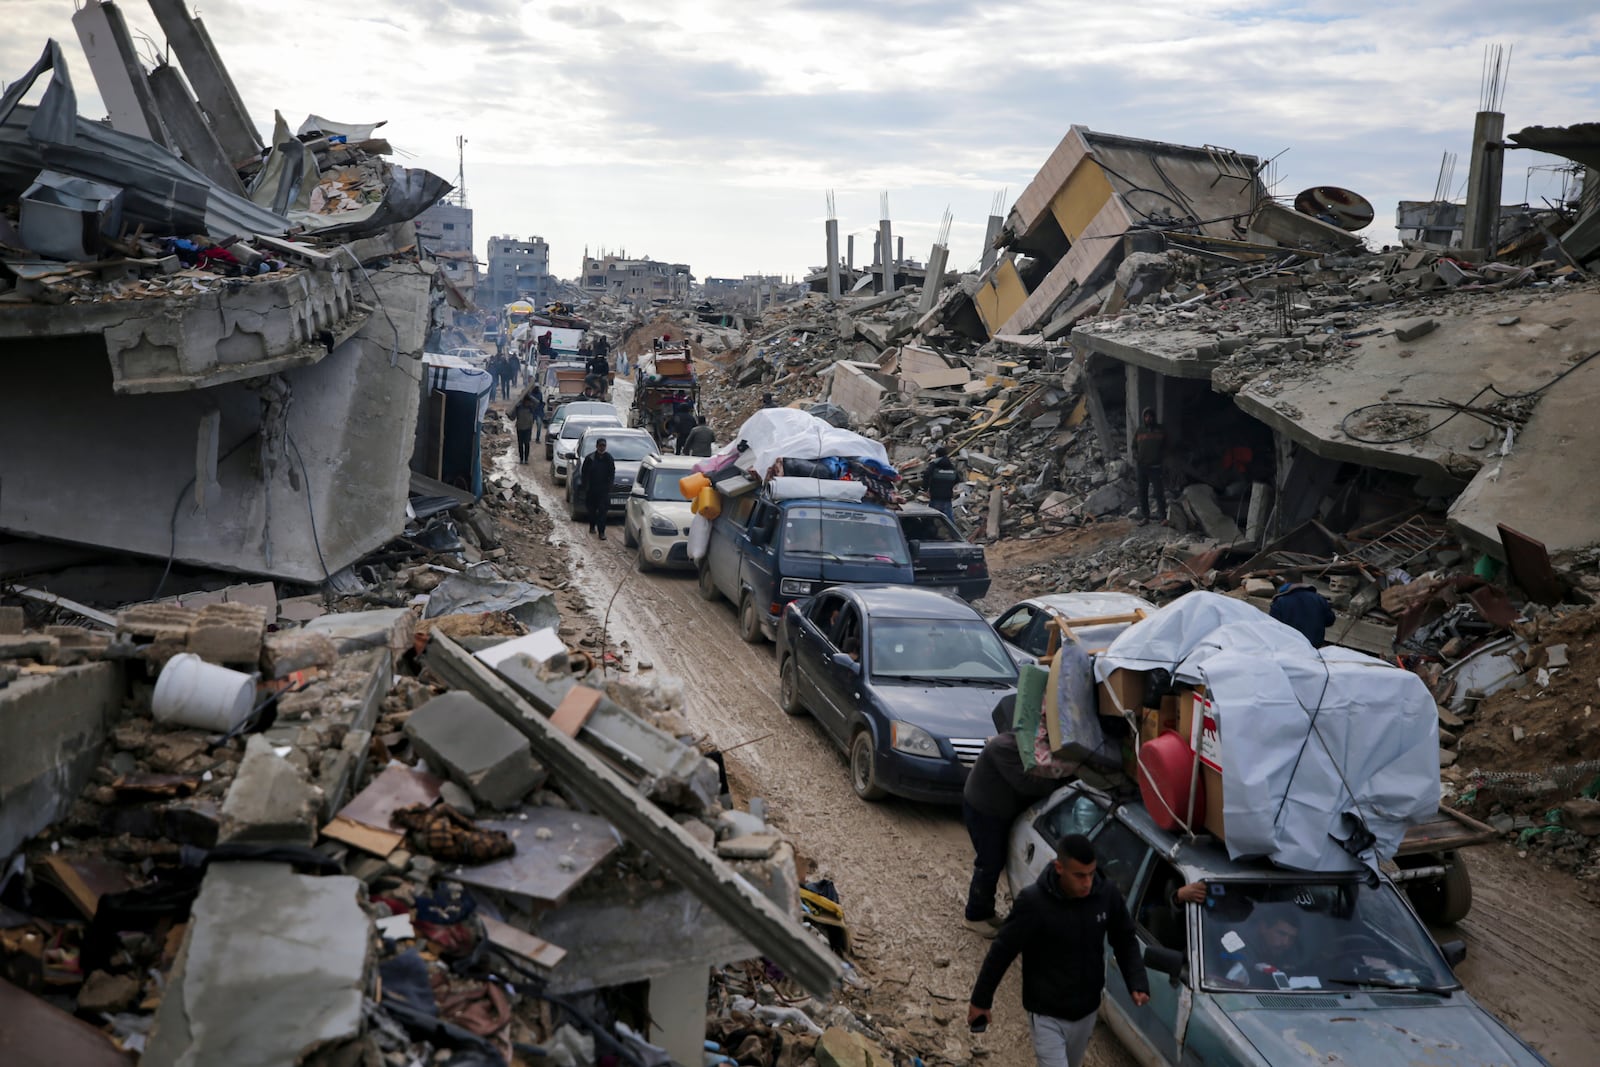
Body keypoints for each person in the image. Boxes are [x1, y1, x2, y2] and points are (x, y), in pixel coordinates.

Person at [969, 834, 1149, 1067]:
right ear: (1059, 868)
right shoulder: (1033, 903)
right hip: (1047, 1015)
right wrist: (981, 1000)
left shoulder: (1106, 895)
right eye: (1079, 875)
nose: (1087, 883)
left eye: (1091, 874)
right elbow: (1002, 951)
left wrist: (1136, 981)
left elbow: (1124, 938)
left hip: (1086, 1012)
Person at [961, 720, 1059, 937]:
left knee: (993, 861)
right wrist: (1059, 779)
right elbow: (1027, 783)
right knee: (989, 862)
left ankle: (985, 911)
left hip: (993, 809)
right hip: (983, 811)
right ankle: (974, 916)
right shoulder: (1003, 748)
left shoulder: (1017, 746)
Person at [1269, 578, 1336, 648]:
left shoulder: (1280, 601)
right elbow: (1330, 620)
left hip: (1289, 647)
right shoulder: (1319, 599)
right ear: (1302, 581)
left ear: (1286, 582)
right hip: (1314, 647)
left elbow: (1273, 627)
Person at [1133, 407, 1166, 525]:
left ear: (1154, 417)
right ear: (1143, 418)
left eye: (1150, 416)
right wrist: (1137, 456)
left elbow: (1166, 447)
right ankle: (1145, 517)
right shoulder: (1140, 430)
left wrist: (1162, 458)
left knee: (1159, 492)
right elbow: (1133, 447)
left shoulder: (1160, 430)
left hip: (1156, 467)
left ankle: (1162, 517)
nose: (1148, 418)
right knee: (1142, 492)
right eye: (1146, 416)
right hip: (1142, 467)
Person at [579, 438, 616, 539]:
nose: (602, 447)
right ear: (596, 446)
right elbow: (584, 473)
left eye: (603, 446)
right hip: (591, 489)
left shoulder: (609, 458)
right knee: (591, 510)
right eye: (600, 445)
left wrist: (610, 486)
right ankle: (592, 526)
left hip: (603, 490)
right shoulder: (590, 458)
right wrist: (585, 486)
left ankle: (601, 532)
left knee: (602, 511)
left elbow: (612, 473)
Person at [924, 446, 961, 523]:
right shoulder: (951, 466)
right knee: (949, 519)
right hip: (947, 497)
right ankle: (953, 533)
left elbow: (926, 475)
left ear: (937, 455)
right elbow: (958, 479)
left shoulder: (934, 465)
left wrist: (925, 488)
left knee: (931, 518)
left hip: (935, 496)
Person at [513, 397, 536, 463]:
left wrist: (530, 396)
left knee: (527, 444)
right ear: (523, 401)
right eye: (526, 401)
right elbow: (512, 416)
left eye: (528, 401)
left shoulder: (531, 407)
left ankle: (526, 459)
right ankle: (521, 458)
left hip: (528, 428)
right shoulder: (518, 407)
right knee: (520, 444)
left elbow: (537, 402)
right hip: (520, 428)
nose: (527, 403)